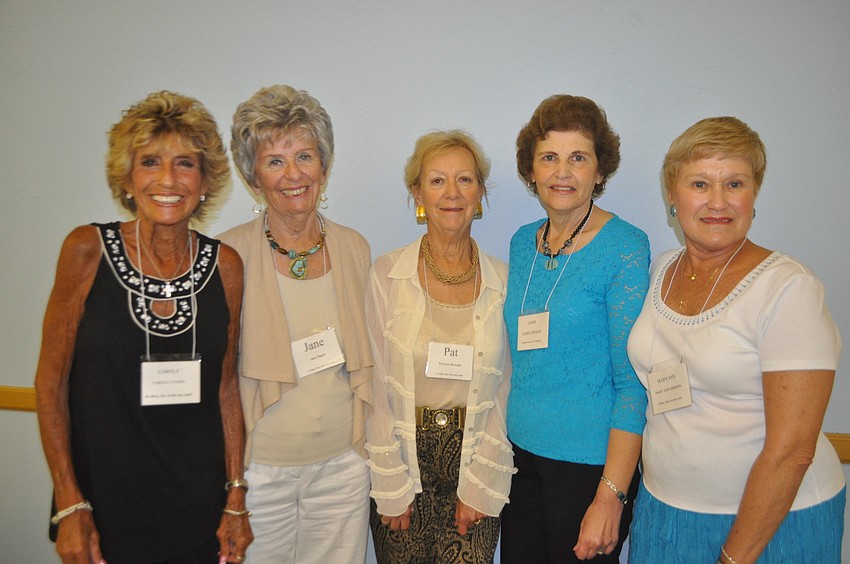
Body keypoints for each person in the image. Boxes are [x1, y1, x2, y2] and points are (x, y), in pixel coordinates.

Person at [34, 91, 252, 563]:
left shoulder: (225, 266)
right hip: (103, 503)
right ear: (128, 178)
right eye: (150, 162)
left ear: (205, 181)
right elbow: (50, 385)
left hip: (199, 505)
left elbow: (226, 388)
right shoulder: (86, 250)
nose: (168, 180)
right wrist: (70, 503)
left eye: (185, 164)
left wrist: (236, 498)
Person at [626, 116, 845, 563]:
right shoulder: (661, 270)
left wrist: (735, 557)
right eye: (700, 184)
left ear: (754, 194)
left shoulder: (789, 290)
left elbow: (792, 452)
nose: (718, 202)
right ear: (673, 195)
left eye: (735, 184)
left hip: (770, 526)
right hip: (664, 508)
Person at [219, 85, 373, 564]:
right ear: (253, 176)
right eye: (275, 161)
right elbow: (219, 379)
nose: (293, 175)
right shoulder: (228, 255)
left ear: (323, 167)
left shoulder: (354, 249)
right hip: (260, 473)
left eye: (304, 156)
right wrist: (233, 484)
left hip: (343, 469)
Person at [501, 94, 650, 563]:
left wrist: (611, 496)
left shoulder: (624, 247)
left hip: (589, 469)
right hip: (519, 459)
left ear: (600, 171)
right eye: (549, 158)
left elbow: (632, 384)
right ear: (531, 171)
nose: (562, 172)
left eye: (578, 158)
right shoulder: (524, 241)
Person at [365, 130, 514, 563]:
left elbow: (507, 387)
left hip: (473, 464)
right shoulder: (387, 274)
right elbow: (374, 382)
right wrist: (391, 481)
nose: (452, 193)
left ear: (481, 192)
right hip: (402, 466)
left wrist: (482, 481)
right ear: (418, 193)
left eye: (465, 180)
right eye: (437, 181)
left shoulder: (503, 281)